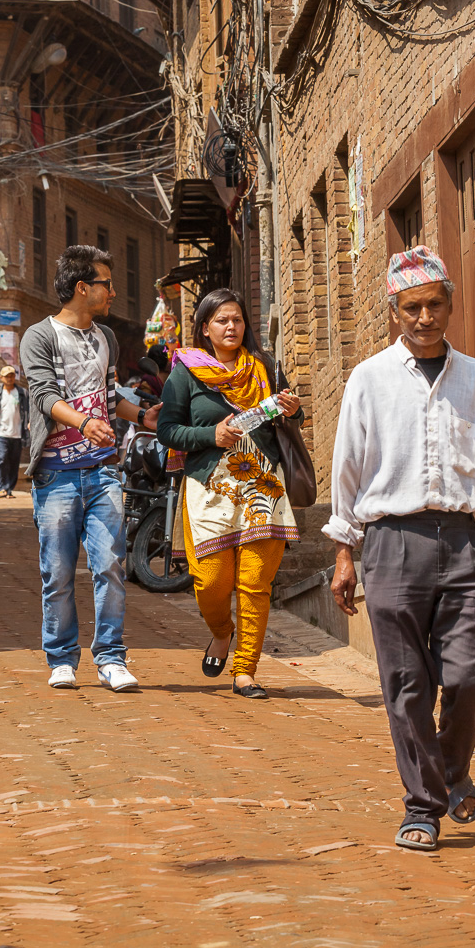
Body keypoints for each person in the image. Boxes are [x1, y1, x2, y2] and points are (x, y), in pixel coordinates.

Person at [324, 245, 475, 853]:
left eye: (433, 305)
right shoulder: (369, 379)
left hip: (464, 539)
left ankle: (453, 767)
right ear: (394, 312)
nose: (424, 317)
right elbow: (348, 466)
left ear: (449, 304)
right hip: (392, 541)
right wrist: (345, 549)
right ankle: (423, 805)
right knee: (406, 684)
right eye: (412, 308)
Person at [20, 245, 161, 692]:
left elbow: (108, 393)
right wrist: (85, 423)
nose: (113, 291)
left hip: (102, 471)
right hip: (55, 473)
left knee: (111, 564)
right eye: (106, 283)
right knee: (58, 572)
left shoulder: (107, 338)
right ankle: (61, 657)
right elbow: (43, 395)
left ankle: (111, 658)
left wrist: (141, 417)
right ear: (83, 287)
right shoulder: (38, 337)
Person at [157, 288, 301, 700]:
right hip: (209, 486)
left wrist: (292, 408)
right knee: (211, 582)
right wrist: (211, 433)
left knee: (255, 583)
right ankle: (222, 632)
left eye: (237, 319)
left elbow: (294, 414)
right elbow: (167, 429)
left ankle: (245, 671)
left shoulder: (264, 367)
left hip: (262, 483)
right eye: (222, 320)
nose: (232, 327)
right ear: (205, 328)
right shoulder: (186, 372)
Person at [0, 365, 30, 498]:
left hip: (17, 434)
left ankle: (8, 489)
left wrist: (30, 422)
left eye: (12, 376)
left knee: (14, 462)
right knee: (1, 458)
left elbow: (28, 411)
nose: (9, 378)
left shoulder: (22, 393)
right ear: (1, 378)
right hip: (0, 433)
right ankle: (0, 487)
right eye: (6, 376)